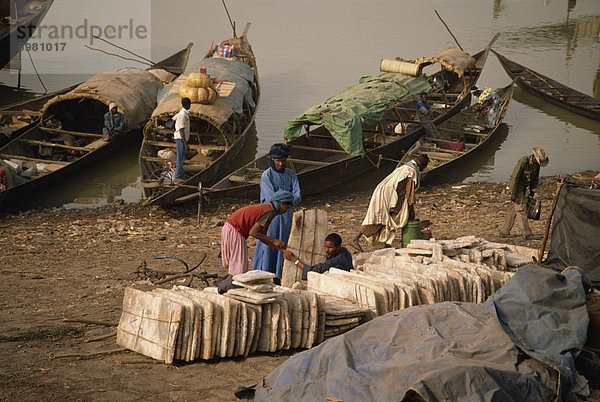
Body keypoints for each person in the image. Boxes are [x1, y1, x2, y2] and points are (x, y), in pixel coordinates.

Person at [353, 154, 429, 251]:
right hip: (386, 194)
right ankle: (356, 239)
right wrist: (411, 209)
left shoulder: (406, 166)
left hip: (386, 191)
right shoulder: (412, 171)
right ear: (423, 164)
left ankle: (385, 244)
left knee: (387, 219)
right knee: (378, 219)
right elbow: (410, 193)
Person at [251, 143, 301, 278]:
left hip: (287, 217)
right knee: (269, 244)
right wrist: (287, 197)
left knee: (284, 243)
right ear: (272, 159)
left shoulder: (291, 174)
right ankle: (265, 273)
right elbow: (270, 199)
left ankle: (280, 275)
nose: (280, 164)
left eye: (283, 161)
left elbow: (298, 196)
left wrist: (283, 198)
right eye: (278, 161)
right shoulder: (266, 176)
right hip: (270, 216)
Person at [221, 189, 295, 276]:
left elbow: (262, 237)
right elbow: (253, 232)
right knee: (239, 266)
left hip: (229, 227)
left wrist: (281, 249)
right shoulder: (270, 212)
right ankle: (233, 286)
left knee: (235, 263)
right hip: (235, 229)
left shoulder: (268, 208)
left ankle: (230, 284)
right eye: (287, 208)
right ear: (281, 203)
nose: (286, 211)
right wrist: (274, 240)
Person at [501, 147, 549, 240]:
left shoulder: (536, 165)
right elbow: (515, 176)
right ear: (535, 157)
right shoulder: (524, 161)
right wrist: (513, 192)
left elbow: (535, 178)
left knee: (514, 209)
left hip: (524, 187)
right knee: (521, 210)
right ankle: (527, 234)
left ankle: (504, 231)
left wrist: (532, 190)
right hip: (516, 186)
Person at [283, 233, 353, 280]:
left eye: (330, 247)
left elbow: (311, 271)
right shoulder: (344, 251)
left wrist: (293, 259)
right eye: (325, 247)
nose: (326, 250)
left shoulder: (335, 261)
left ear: (338, 247)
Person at [172, 97, 191, 181]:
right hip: (180, 139)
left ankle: (180, 174)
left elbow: (173, 119)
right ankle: (177, 176)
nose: (190, 106)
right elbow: (181, 129)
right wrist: (186, 144)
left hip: (180, 138)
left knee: (182, 156)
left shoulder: (182, 113)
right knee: (180, 157)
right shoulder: (182, 114)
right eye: (190, 104)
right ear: (187, 105)